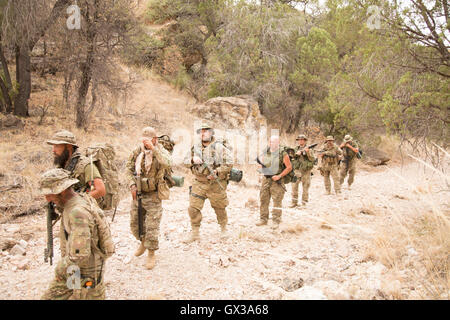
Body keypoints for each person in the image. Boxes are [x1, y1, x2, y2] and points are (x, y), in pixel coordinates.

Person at [39, 168, 108, 300]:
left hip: (85, 271)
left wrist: (60, 269)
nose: (47, 199)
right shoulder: (77, 200)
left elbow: (80, 255)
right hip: (77, 269)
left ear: (63, 190)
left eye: (49, 194)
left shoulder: (77, 212)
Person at [126, 127, 172, 269]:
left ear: (155, 139)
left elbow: (167, 163)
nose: (145, 142)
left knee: (152, 226)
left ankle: (151, 253)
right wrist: (132, 184)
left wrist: (154, 149)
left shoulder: (161, 151)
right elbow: (128, 168)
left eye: (148, 139)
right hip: (139, 193)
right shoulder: (137, 151)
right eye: (143, 139)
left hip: (153, 194)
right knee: (135, 224)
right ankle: (143, 242)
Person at [183, 122, 233, 243]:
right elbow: (184, 161)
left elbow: (229, 163)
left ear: (211, 132)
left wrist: (217, 172)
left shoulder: (219, 147)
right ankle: (195, 233)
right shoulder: (195, 148)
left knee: (219, 208)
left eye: (206, 131)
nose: (203, 133)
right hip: (199, 183)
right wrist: (192, 159)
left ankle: (223, 229)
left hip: (215, 183)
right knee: (193, 208)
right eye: (201, 131)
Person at [46, 130, 106, 201]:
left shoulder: (85, 165)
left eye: (57, 146)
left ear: (68, 146)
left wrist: (76, 202)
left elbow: (100, 190)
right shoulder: (63, 164)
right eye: (53, 146)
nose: (53, 150)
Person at [257, 135, 293, 229]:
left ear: (278, 143)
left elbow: (289, 167)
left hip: (277, 180)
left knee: (277, 201)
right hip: (266, 179)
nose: (273, 144)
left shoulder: (283, 153)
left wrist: (279, 176)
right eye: (271, 142)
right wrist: (260, 175)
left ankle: (276, 220)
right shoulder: (266, 151)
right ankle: (263, 219)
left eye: (275, 142)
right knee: (263, 199)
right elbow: (262, 164)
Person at [290, 134, 315, 207]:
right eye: (299, 140)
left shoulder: (310, 149)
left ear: (305, 140)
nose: (300, 141)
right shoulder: (295, 149)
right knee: (294, 187)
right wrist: (297, 154)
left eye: (302, 140)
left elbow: (312, 159)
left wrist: (307, 152)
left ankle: (304, 203)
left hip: (306, 171)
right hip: (297, 170)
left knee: (305, 187)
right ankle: (294, 202)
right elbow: (291, 157)